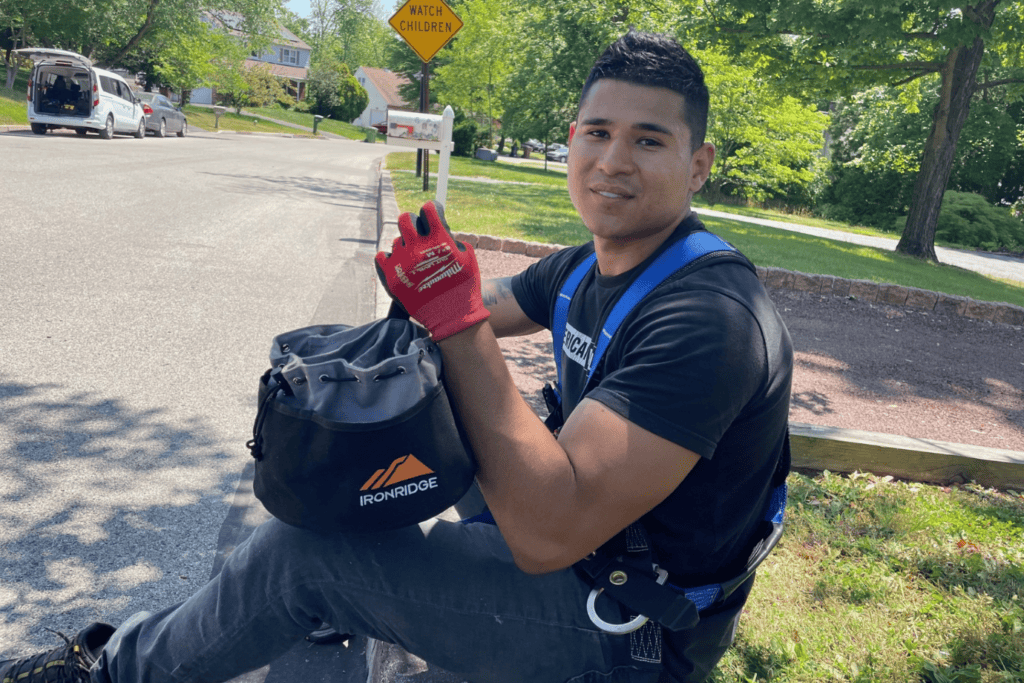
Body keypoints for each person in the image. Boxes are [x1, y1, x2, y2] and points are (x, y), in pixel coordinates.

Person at [0, 31, 792, 683]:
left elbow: (547, 530)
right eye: (597, 132)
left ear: (698, 164)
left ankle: (104, 674)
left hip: (624, 628)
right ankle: (323, 609)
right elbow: (462, 319)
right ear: (575, 139)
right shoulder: (590, 264)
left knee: (301, 557)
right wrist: (405, 333)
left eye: (649, 140)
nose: (614, 160)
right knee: (410, 413)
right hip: (583, 557)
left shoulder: (708, 320)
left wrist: (455, 322)